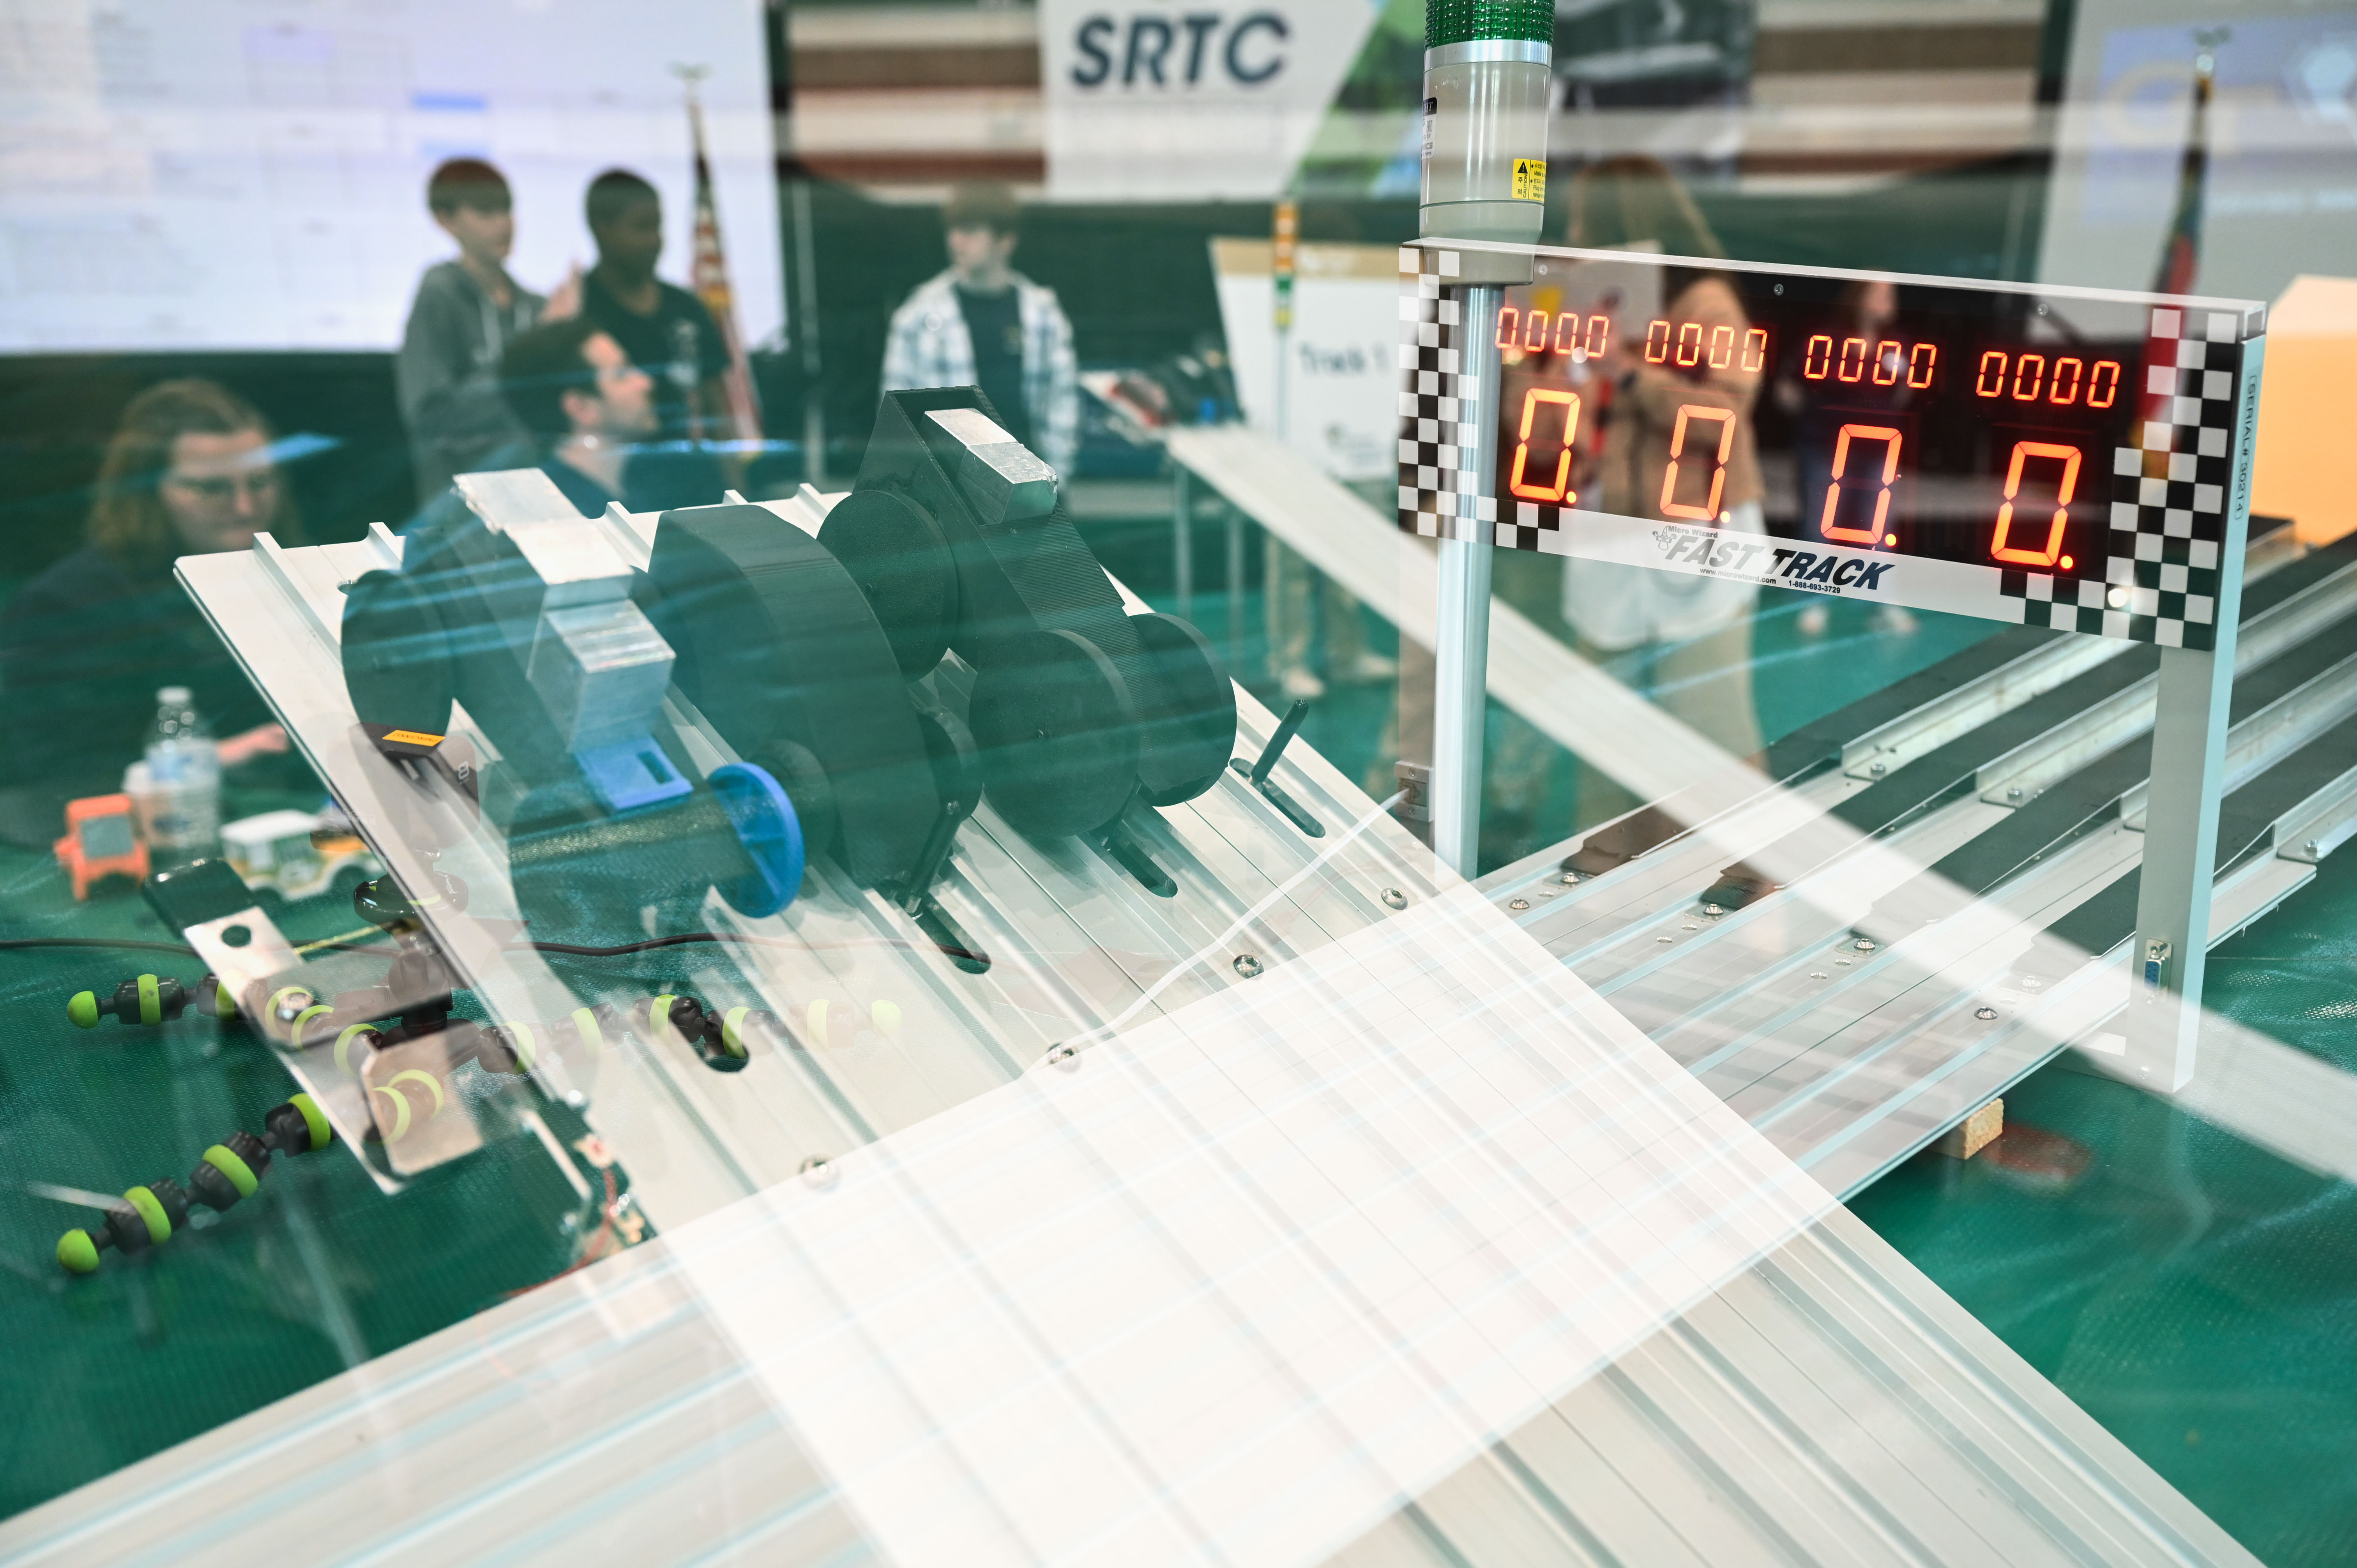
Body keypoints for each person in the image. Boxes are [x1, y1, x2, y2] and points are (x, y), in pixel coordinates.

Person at [1557, 157, 1767, 819]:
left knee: (1705, 716)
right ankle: (1606, 868)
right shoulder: (1585, 310)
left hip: (1697, 537)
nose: (1574, 230)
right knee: (1605, 722)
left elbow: (1727, 416)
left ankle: (1738, 874)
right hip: (1610, 529)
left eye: (1586, 218)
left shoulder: (1704, 304)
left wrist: (1631, 377)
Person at [0, 380, 292, 823]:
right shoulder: (69, 603)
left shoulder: (285, 576)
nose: (245, 506)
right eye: (212, 489)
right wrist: (216, 755)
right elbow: (51, 777)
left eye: (260, 482)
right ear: (146, 490)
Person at [396, 159, 569, 506]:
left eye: (506, 209)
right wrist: (535, 352)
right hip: (462, 513)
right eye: (486, 212)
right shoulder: (441, 292)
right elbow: (430, 413)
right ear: (446, 219)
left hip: (540, 502)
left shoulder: (536, 307)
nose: (503, 224)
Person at [882, 182, 1078, 478]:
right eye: (953, 229)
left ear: (1005, 241)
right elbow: (895, 416)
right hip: (949, 483)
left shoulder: (1042, 315)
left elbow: (1062, 403)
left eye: (971, 230)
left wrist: (1057, 478)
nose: (956, 241)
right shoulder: (917, 317)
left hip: (1030, 479)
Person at [576, 168, 728, 508]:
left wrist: (738, 494)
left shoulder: (684, 306)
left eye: (659, 226)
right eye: (641, 228)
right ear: (602, 229)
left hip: (696, 480)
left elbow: (717, 408)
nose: (655, 240)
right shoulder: (582, 311)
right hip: (619, 488)